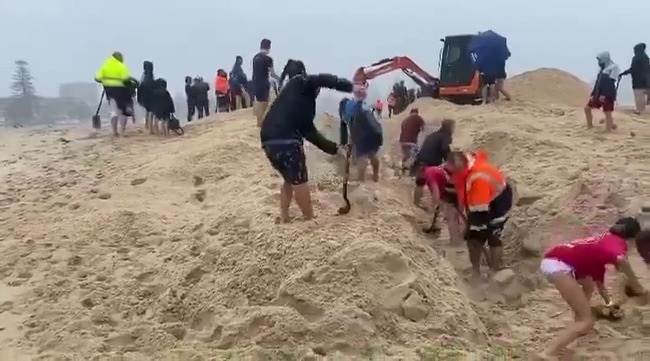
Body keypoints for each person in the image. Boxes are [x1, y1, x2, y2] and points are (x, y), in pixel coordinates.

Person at [537, 217, 647, 359]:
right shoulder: (616, 242)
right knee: (586, 321)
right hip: (558, 265)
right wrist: (637, 286)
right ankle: (547, 353)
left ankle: (579, 320)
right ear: (631, 239)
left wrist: (610, 304)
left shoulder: (602, 243)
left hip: (557, 260)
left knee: (588, 284)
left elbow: (600, 285)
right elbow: (621, 260)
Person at [260, 60, 353, 222]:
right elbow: (322, 79)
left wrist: (335, 149)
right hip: (285, 141)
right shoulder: (300, 82)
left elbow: (311, 134)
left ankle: (284, 216)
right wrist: (350, 87)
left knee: (289, 179)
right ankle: (309, 218)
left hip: (268, 141)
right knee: (300, 179)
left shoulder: (294, 99)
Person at [447, 150, 512, 277]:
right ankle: (476, 271)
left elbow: (478, 214)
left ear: (461, 170)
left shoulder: (477, 179)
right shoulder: (465, 163)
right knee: (475, 237)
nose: (450, 178)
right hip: (484, 198)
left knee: (489, 237)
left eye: (453, 174)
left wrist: (468, 230)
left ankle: (493, 272)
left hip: (498, 202)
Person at [412, 118, 454, 206]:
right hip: (431, 162)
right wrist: (450, 162)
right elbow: (445, 149)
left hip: (420, 159)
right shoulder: (446, 136)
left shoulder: (432, 135)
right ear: (450, 127)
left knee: (420, 182)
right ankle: (435, 207)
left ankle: (416, 203)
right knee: (436, 184)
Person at [94, 51, 134, 137]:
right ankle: (122, 130)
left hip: (109, 91)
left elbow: (97, 77)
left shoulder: (105, 65)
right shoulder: (122, 66)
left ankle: (114, 132)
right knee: (123, 111)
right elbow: (125, 78)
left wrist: (104, 81)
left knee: (113, 111)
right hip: (121, 91)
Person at [420, 164, 463, 244]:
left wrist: (435, 205)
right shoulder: (433, 169)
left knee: (451, 217)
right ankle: (458, 239)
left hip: (452, 188)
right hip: (455, 187)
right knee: (456, 216)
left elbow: (436, 191)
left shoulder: (428, 174)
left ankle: (455, 242)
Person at [344, 96, 383, 182]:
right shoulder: (365, 109)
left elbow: (352, 133)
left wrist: (350, 147)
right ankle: (375, 176)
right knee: (372, 153)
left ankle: (361, 181)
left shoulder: (350, 112)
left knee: (362, 157)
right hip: (376, 131)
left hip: (364, 133)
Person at [585, 51, 620, 132]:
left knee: (607, 112)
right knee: (587, 108)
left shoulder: (613, 67)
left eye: (600, 60)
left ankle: (608, 130)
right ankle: (590, 126)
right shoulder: (602, 69)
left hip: (608, 93)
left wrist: (604, 95)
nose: (599, 62)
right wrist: (593, 93)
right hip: (598, 92)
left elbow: (610, 82)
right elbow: (598, 82)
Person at [253, 38, 280, 127]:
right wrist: (279, 79)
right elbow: (272, 73)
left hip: (256, 83)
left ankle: (258, 123)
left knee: (259, 103)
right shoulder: (268, 59)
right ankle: (261, 125)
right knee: (264, 105)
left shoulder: (255, 57)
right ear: (269, 47)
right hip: (264, 84)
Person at [619, 43, 650, 115]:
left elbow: (633, 69)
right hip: (647, 82)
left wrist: (624, 73)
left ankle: (639, 111)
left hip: (638, 82)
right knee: (646, 96)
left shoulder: (636, 58)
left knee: (639, 98)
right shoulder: (646, 58)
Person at [399, 108, 425, 175]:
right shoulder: (418, 117)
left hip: (402, 141)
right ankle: (412, 171)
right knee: (415, 156)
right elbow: (423, 127)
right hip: (411, 141)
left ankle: (403, 167)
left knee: (406, 155)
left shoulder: (405, 120)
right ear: (416, 112)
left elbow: (402, 129)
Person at [137, 61, 156, 134]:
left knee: (147, 111)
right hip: (151, 95)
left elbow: (140, 85)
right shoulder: (151, 75)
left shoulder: (143, 75)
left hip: (145, 96)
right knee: (151, 112)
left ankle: (147, 125)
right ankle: (150, 127)